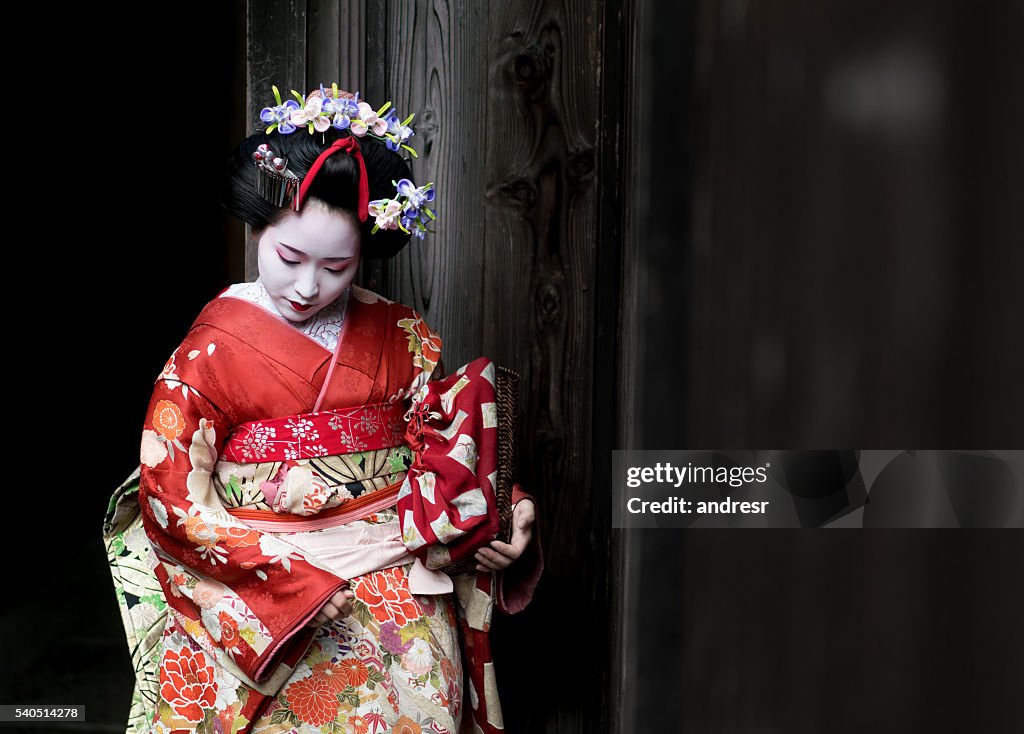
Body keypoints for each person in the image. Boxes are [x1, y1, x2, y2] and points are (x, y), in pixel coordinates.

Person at [103, 84, 541, 734]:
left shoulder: (402, 336)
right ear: (257, 226)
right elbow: (172, 499)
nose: (309, 286)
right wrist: (287, 578)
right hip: (277, 607)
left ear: (365, 250)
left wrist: (502, 514)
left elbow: (446, 460)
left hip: (401, 608)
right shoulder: (209, 354)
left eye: (337, 265)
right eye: (289, 257)